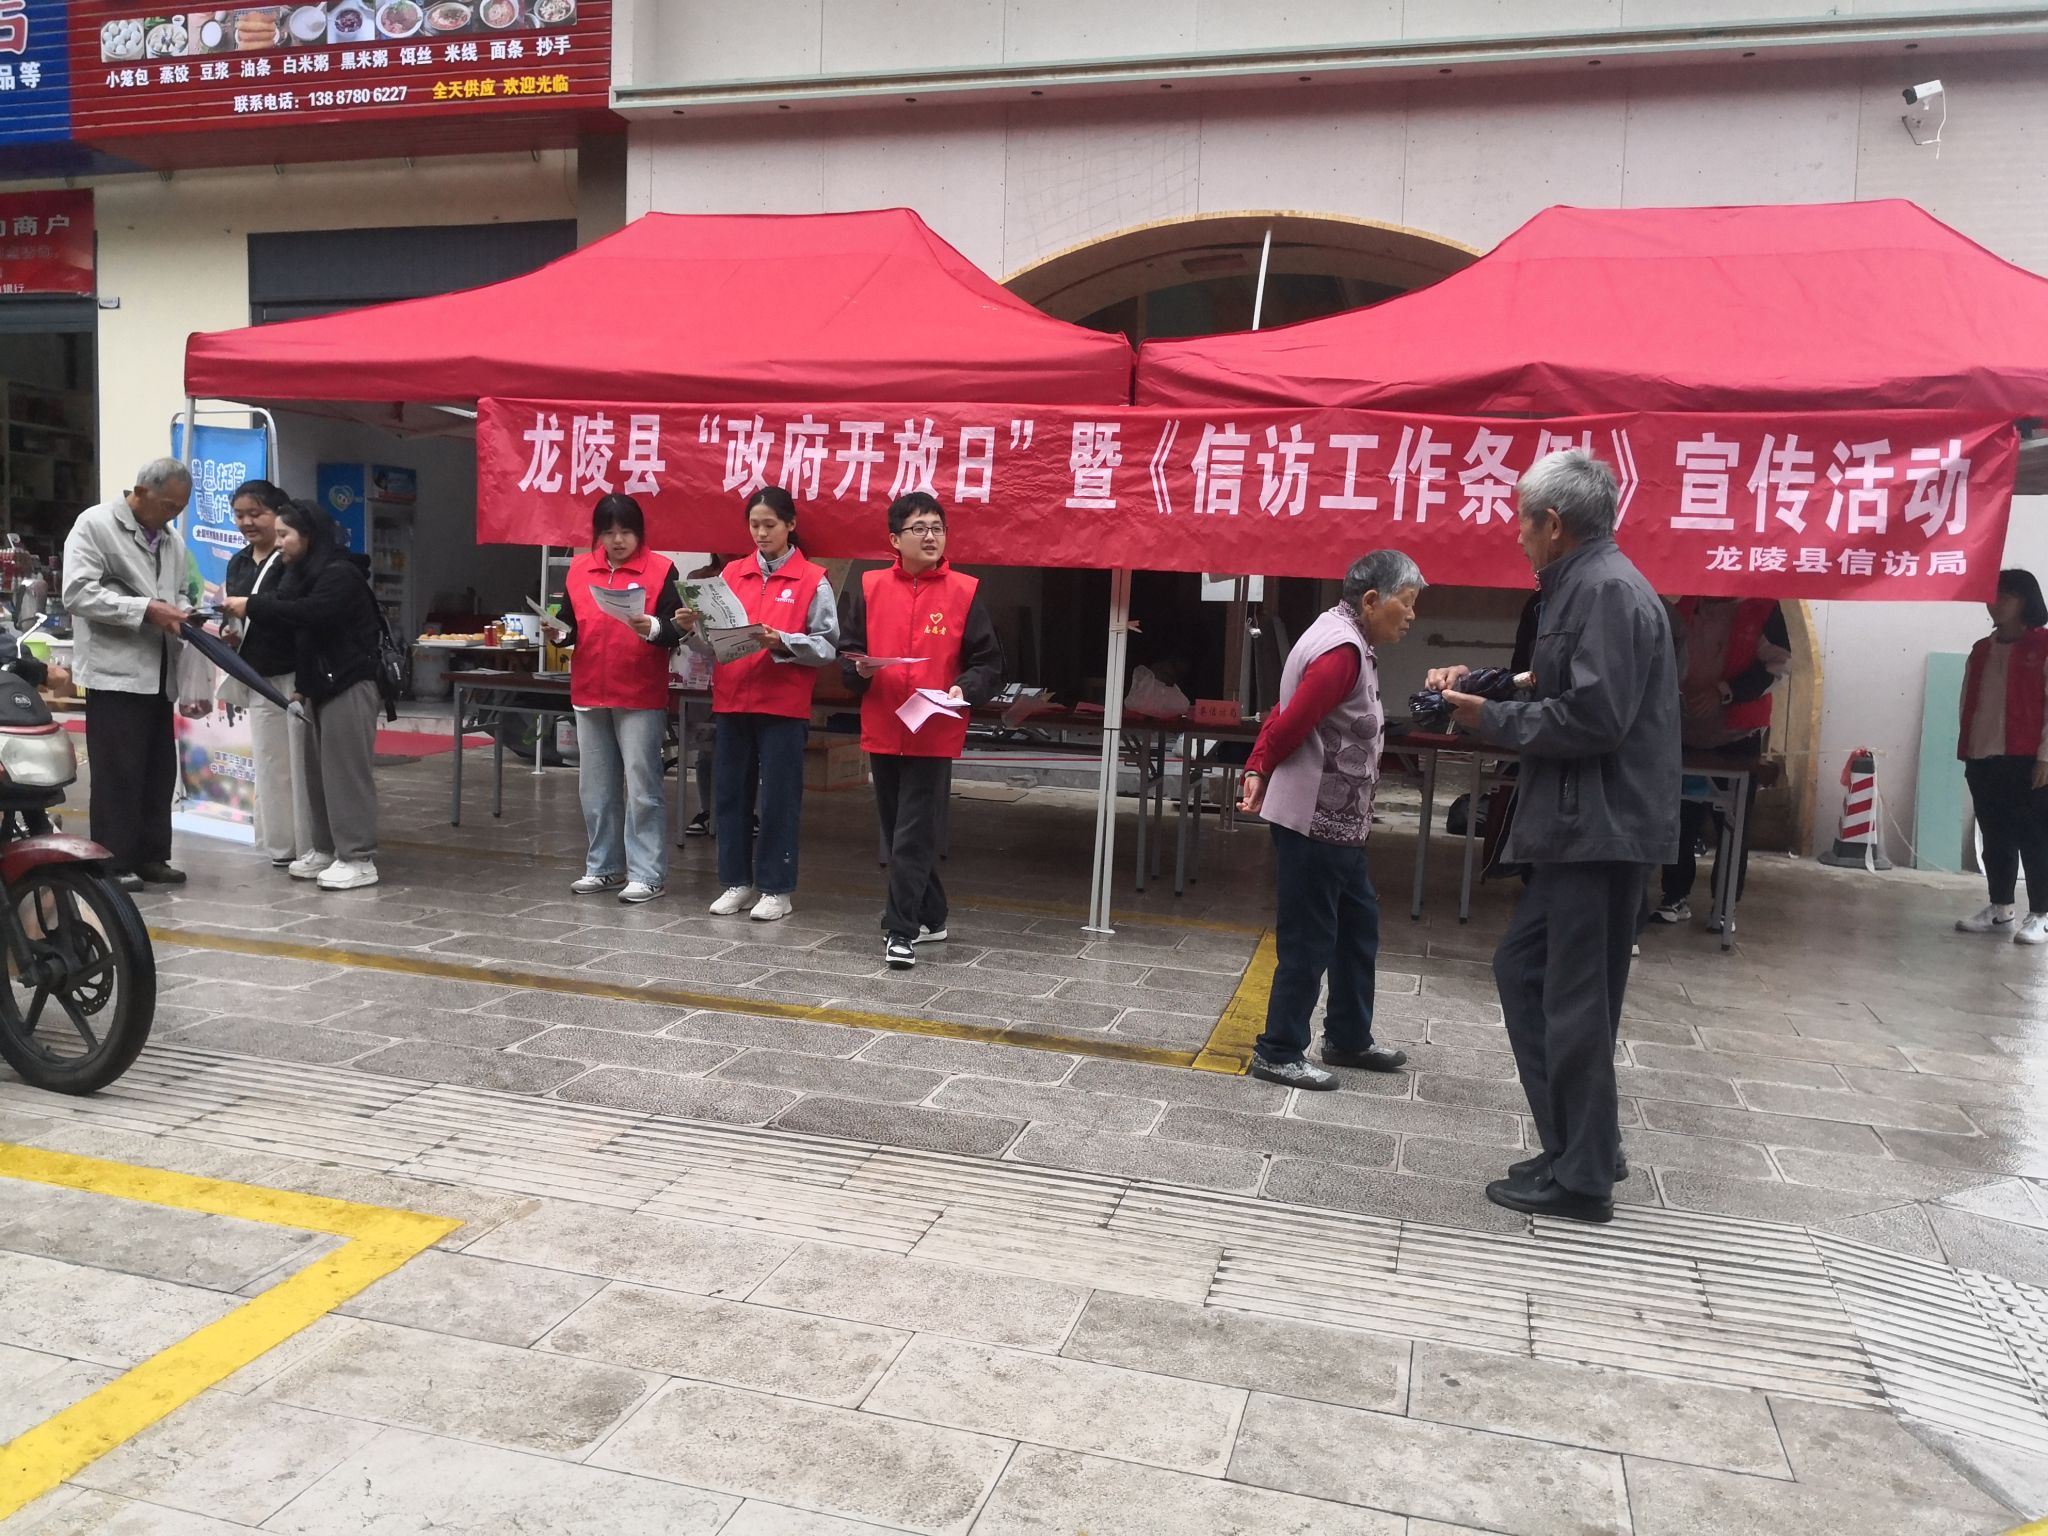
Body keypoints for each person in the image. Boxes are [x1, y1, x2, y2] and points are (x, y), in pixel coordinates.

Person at [1432, 449, 1680, 1223]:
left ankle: (1583, 1178)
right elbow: (1561, 682)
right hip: (1581, 824)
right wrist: (1488, 687)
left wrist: (1493, 720)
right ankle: (1581, 1143)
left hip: (1598, 827)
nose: (1516, 535)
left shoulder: (1606, 590)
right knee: (1528, 972)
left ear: (1552, 522)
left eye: (1521, 520)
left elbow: (1596, 718)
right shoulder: (1583, 587)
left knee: (1572, 998)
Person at [1238, 549, 1422, 1091]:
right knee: (1309, 937)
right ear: (1372, 600)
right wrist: (1259, 766)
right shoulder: (1341, 650)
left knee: (1358, 927)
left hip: (1341, 825)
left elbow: (1288, 709)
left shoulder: (1343, 636)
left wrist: (1259, 763)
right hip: (1315, 821)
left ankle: (1347, 1036)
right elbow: (1293, 717)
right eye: (1407, 603)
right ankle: (1278, 1049)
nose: (1412, 616)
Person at [838, 491, 1003, 969]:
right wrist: (859, 669)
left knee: (911, 833)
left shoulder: (964, 591)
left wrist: (964, 687)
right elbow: (848, 653)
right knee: (898, 830)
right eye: (919, 528)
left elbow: (990, 663)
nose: (931, 537)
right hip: (884, 722)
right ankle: (933, 915)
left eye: (937, 528)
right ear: (895, 539)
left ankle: (900, 930)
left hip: (933, 727)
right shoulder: (871, 586)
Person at [678, 487, 838, 922]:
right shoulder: (732, 574)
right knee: (731, 795)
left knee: (779, 799)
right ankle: (736, 882)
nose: (762, 533)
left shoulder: (812, 579)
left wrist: (780, 640)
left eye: (770, 525)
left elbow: (827, 646)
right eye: (754, 525)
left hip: (783, 705)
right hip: (733, 699)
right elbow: (713, 644)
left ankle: (776, 888)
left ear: (790, 525)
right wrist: (693, 630)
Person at [224, 499, 384, 891]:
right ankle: (326, 850)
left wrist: (253, 606)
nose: (278, 542)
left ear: (309, 535)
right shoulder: (300, 573)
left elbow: (310, 613)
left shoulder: (340, 574)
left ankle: (358, 858)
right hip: (318, 685)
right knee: (317, 775)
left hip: (349, 683)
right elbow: (301, 630)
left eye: (285, 534)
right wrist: (302, 688)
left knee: (345, 774)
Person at [62, 457, 196, 892]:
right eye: (168, 506)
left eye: (180, 508)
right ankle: (113, 860)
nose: (172, 516)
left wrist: (185, 612)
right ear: (140, 493)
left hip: (159, 670)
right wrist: (145, 609)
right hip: (114, 671)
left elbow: (177, 592)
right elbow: (77, 593)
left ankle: (152, 855)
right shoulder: (95, 525)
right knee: (118, 770)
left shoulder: (172, 541)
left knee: (158, 770)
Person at [551, 493, 684, 905]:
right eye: (608, 533)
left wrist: (653, 627)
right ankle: (603, 866)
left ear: (639, 533)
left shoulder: (661, 569)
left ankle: (647, 874)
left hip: (640, 693)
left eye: (626, 532)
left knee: (643, 788)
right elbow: (569, 626)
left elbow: (677, 628)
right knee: (595, 789)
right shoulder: (579, 569)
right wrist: (557, 633)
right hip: (590, 689)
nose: (618, 540)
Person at [1648, 596, 1791, 926]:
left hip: (1737, 735)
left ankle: (1725, 904)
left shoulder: (1763, 609)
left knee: (1733, 825)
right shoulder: (1685, 606)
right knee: (1679, 818)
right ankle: (1674, 895)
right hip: (1684, 732)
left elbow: (1779, 666)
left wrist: (1724, 691)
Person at [1956, 568, 2048, 944]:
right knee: (1995, 836)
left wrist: (2045, 758)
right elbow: (1968, 701)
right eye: (1991, 595)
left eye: (2004, 596)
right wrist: (1968, 750)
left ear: (2025, 601)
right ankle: (2000, 909)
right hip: (1983, 756)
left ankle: (2041, 914)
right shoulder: (1981, 649)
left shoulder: (2044, 646)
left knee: (2035, 837)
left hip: (2028, 758)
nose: (1994, 603)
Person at [223, 479, 299, 869]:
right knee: (270, 762)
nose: (247, 522)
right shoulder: (237, 563)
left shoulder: (292, 560)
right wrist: (229, 631)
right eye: (239, 515)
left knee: (300, 762)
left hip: (294, 673)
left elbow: (291, 609)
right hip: (257, 674)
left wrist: (250, 606)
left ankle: (309, 839)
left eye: (256, 513)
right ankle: (281, 844)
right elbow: (233, 615)